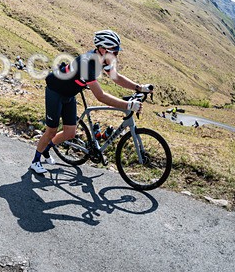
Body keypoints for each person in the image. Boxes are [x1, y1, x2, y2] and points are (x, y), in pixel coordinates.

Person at [30, 29, 152, 174]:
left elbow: (116, 77)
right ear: (102, 49)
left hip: (69, 94)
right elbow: (100, 96)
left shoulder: (102, 59)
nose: (116, 56)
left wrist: (139, 87)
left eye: (117, 53)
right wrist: (128, 105)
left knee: (70, 133)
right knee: (52, 130)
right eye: (114, 52)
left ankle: (47, 149)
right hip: (55, 92)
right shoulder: (87, 63)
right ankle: (35, 161)